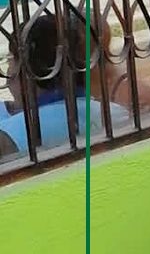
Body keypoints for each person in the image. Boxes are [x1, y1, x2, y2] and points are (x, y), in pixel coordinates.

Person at [1, 13, 133, 159]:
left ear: (27, 70)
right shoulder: (117, 114)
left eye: (10, 61)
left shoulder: (11, 133)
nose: (8, 77)